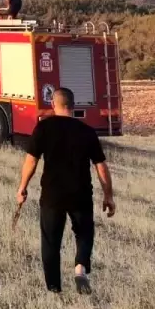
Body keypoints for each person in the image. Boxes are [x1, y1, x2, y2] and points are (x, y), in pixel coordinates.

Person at [17, 87, 116, 294]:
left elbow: (31, 161)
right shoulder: (86, 131)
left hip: (53, 195)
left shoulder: (43, 128)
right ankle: (80, 268)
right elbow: (101, 167)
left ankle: (54, 287)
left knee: (51, 240)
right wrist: (108, 196)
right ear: (73, 106)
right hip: (80, 194)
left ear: (53, 104)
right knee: (84, 233)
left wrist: (22, 187)